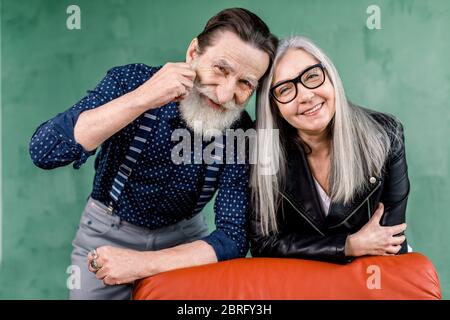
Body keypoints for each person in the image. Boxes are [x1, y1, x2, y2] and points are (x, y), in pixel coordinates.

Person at [29, 8, 277, 299]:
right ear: (193, 52)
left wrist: (141, 265)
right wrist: (143, 97)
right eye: (220, 69)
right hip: (104, 237)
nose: (224, 96)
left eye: (245, 83)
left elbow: (233, 238)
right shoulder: (131, 81)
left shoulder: (240, 131)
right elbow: (44, 151)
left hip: (185, 247)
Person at [249, 36, 409, 263]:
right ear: (274, 106)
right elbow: (263, 243)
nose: (305, 96)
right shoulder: (260, 145)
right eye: (285, 90)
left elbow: (389, 241)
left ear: (330, 77)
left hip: (371, 275)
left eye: (312, 76)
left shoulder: (385, 134)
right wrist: (348, 246)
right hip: (302, 281)